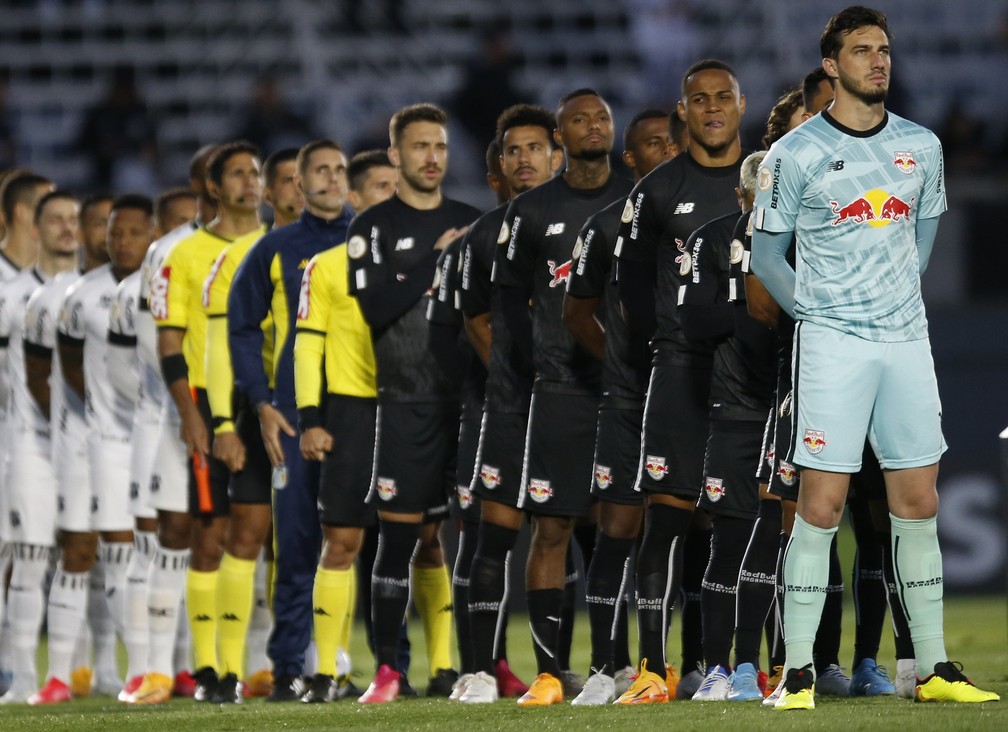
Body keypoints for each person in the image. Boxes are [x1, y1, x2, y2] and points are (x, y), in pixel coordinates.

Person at [751, 5, 999, 710]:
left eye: (884, 49)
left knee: (918, 502)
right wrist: (821, 314)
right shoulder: (793, 155)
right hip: (833, 346)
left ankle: (935, 669)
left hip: (906, 342)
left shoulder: (921, 145)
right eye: (862, 50)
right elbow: (767, 258)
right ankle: (797, 673)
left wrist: (892, 304)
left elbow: (921, 241)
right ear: (831, 65)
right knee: (821, 507)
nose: (878, 61)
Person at [491, 89, 633, 707]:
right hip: (559, 392)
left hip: (626, 392)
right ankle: (552, 671)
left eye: (602, 117)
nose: (594, 126)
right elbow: (508, 314)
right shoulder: (528, 213)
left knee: (617, 530)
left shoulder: (637, 199)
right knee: (550, 529)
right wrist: (521, 386)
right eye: (580, 119)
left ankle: (618, 666)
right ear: (560, 139)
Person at [612, 59, 746, 705]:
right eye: (700, 99)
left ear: (741, 106)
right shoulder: (658, 191)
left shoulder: (766, 183)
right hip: (680, 372)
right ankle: (652, 668)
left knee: (746, 524)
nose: (713, 108)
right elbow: (632, 286)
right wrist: (662, 349)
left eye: (723, 97)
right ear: (683, 112)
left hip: (750, 376)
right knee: (665, 520)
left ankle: (737, 667)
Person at [346, 103, 480, 704]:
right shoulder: (370, 228)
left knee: (460, 541)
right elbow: (374, 308)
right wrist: (438, 257)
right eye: (421, 146)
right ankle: (388, 672)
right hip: (404, 402)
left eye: (441, 147)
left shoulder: (474, 220)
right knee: (398, 540)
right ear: (396, 155)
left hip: (469, 403)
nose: (432, 157)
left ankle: (459, 669)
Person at [228, 139, 355, 703]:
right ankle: (287, 668)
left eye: (339, 169)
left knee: (373, 540)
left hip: (360, 408)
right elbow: (241, 325)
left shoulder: (366, 243)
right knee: (297, 541)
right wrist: (260, 399)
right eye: (320, 170)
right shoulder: (275, 248)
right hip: (294, 414)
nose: (332, 178)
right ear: (299, 184)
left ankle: (368, 665)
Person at [562, 109, 675, 705]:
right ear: (631, 160)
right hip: (628, 401)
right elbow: (577, 312)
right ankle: (609, 665)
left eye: (669, 140)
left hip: (691, 397)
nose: (664, 149)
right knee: (620, 524)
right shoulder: (606, 227)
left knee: (690, 524)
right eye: (651, 144)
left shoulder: (709, 216)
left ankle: (682, 663)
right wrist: (622, 363)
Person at [145, 143, 264, 703]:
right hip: (204, 399)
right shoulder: (184, 254)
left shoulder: (273, 246)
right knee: (210, 535)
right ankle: (208, 669)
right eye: (238, 174)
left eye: (256, 172)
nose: (251, 182)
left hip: (264, 399)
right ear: (214, 187)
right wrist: (191, 415)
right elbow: (168, 341)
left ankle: (238, 667)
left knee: (253, 535)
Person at [452, 108, 563, 705]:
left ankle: (576, 667)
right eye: (512, 150)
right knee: (492, 534)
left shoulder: (589, 226)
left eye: (534, 148)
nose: (524, 158)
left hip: (574, 404)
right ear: (499, 164)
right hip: (507, 406)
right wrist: (523, 379)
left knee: (570, 529)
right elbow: (475, 320)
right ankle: (480, 669)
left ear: (556, 155)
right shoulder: (483, 235)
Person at [32, 194, 154, 705]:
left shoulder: (160, 285)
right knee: (85, 551)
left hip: (153, 439)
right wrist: (91, 411)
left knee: (153, 551)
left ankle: (146, 669)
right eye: (108, 229)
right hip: (92, 441)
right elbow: (56, 366)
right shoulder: (78, 296)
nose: (117, 238)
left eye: (127, 229)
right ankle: (62, 675)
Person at [292, 149, 404, 703]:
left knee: (427, 542)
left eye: (396, 184)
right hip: (353, 413)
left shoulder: (423, 260)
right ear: (356, 197)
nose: (390, 194)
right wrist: (310, 419)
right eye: (379, 186)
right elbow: (306, 349)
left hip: (411, 410)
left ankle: (445, 669)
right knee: (343, 541)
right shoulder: (326, 266)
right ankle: (325, 671)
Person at [204, 146, 304, 703]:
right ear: (270, 193)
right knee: (246, 536)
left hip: (319, 408)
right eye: (285, 181)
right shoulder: (248, 254)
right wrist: (224, 419)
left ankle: (313, 664)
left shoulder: (336, 249)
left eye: (301, 178)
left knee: (313, 539)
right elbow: (225, 344)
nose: (295, 189)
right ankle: (225, 670)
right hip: (258, 409)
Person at [127, 144, 218, 705]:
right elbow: (154, 342)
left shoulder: (252, 245)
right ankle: (158, 669)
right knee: (178, 532)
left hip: (236, 410)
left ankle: (235, 667)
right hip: (177, 413)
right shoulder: (169, 251)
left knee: (237, 536)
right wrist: (189, 409)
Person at [0, 191, 79, 703]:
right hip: (27, 439)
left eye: (75, 218)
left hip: (91, 445)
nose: (68, 228)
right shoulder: (13, 296)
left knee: (91, 557)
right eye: (53, 219)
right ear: (32, 228)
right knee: (27, 557)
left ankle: (87, 674)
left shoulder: (94, 292)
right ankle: (22, 677)